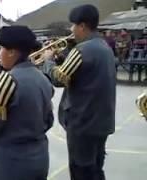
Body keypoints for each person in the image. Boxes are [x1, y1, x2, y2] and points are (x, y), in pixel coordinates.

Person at [42, 4, 116, 180]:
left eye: (73, 25)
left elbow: (59, 79)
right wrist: (61, 58)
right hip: (101, 122)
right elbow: (81, 73)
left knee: (80, 171)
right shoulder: (104, 47)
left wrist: (48, 62)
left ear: (82, 26)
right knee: (96, 169)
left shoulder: (82, 49)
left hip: (83, 123)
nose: (71, 29)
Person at [0, 26, 54, 180]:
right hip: (40, 157)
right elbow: (49, 121)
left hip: (13, 163)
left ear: (12, 52)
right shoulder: (42, 78)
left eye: (1, 48)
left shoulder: (8, 80)